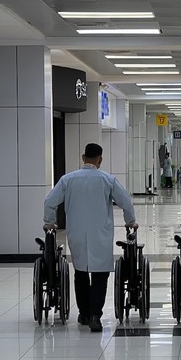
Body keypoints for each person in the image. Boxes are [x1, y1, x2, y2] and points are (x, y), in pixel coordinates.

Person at [43, 143, 137, 333]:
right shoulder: (108, 179)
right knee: (100, 274)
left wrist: (49, 222)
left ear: (83, 157)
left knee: (81, 272)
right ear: (100, 160)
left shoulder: (68, 179)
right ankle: (96, 315)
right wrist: (130, 221)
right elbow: (126, 202)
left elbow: (50, 202)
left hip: (77, 233)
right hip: (100, 234)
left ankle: (84, 313)